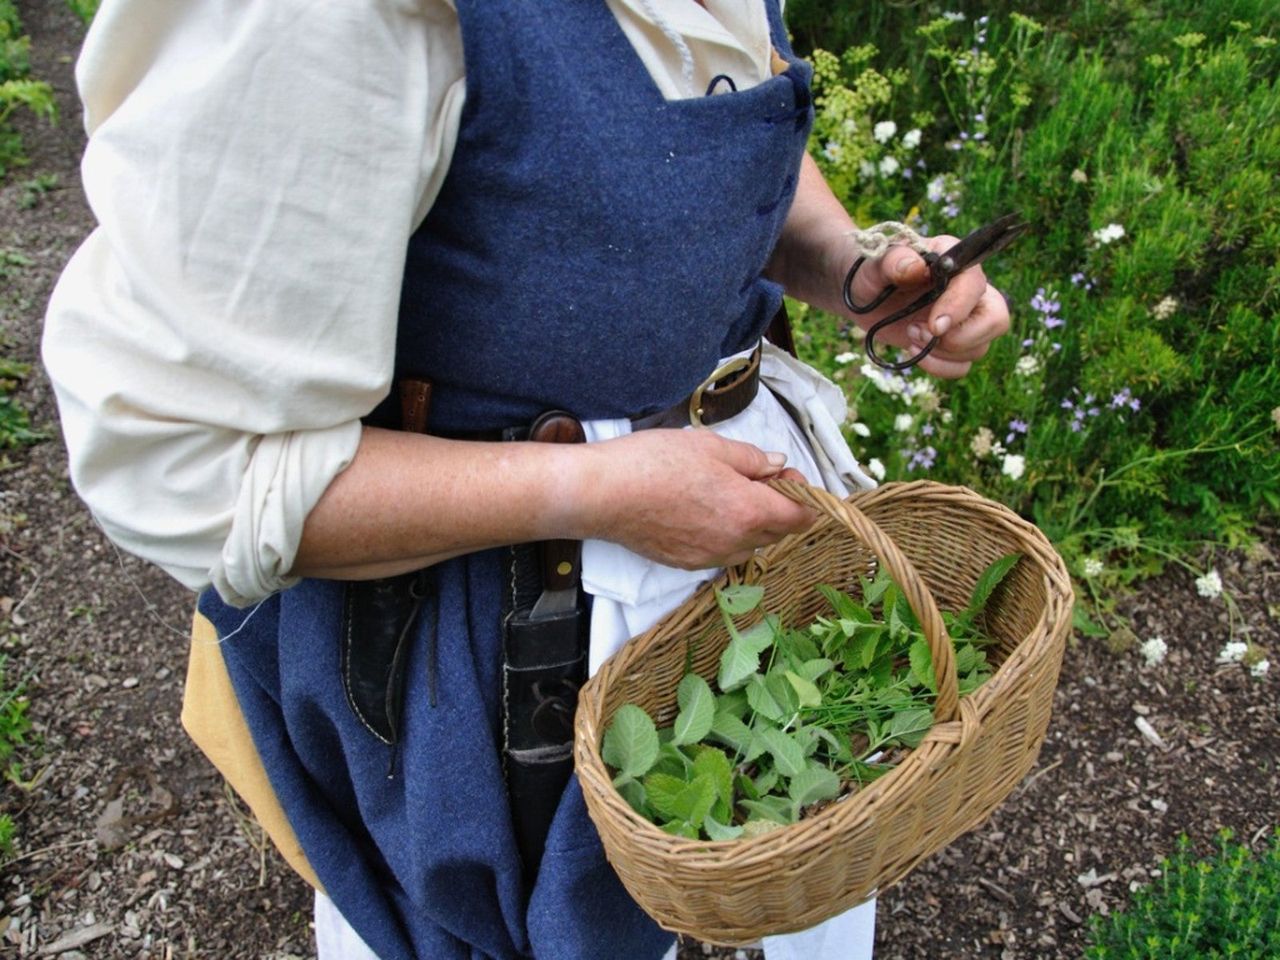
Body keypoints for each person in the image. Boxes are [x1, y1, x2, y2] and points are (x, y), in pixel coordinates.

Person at [42, 2, 1009, 958]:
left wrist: (846, 263)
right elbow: (181, 464)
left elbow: (698, 113)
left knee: (805, 841)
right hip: (503, 610)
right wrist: (598, 493)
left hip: (746, 512)